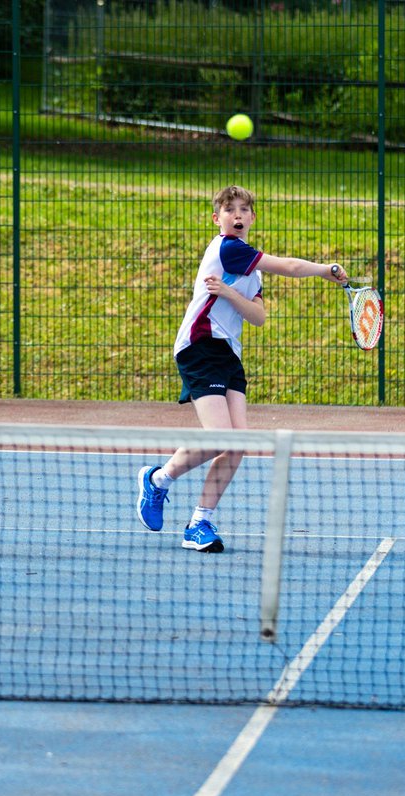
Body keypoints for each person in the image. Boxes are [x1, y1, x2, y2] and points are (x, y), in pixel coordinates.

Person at [135, 185, 347, 553]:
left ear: (252, 218)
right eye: (228, 209)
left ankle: (199, 522)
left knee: (238, 445)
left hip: (228, 352)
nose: (236, 215)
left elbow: (258, 317)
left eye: (243, 210)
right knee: (221, 437)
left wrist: (230, 293)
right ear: (217, 219)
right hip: (200, 347)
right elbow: (291, 267)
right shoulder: (228, 249)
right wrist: (326, 270)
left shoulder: (251, 270)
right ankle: (158, 479)